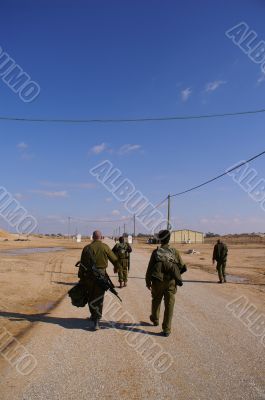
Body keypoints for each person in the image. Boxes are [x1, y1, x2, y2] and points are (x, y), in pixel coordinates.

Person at [145, 230, 186, 337]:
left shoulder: (156, 252)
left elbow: (150, 268)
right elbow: (181, 266)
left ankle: (155, 319)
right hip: (171, 282)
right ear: (169, 239)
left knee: (156, 300)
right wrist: (175, 275)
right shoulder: (174, 251)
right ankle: (166, 329)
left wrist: (147, 281)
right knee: (169, 305)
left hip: (157, 281)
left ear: (160, 239)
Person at [78, 230, 120, 330]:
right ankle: (96, 320)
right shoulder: (105, 247)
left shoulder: (87, 248)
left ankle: (94, 316)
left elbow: (82, 265)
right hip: (101, 277)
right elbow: (115, 260)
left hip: (88, 277)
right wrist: (116, 268)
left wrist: (80, 277)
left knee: (90, 296)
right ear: (101, 237)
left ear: (93, 237)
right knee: (99, 298)